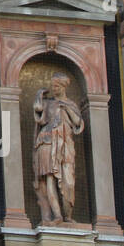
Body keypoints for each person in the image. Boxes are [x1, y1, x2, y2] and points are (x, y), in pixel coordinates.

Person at [32, 71, 84, 224]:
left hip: (65, 145)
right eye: (53, 86)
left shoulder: (71, 104)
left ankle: (68, 215)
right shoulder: (48, 103)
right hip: (47, 142)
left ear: (63, 86)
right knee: (49, 179)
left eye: (56, 86)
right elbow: (38, 109)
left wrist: (65, 108)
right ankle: (57, 216)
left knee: (69, 181)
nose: (54, 89)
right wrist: (39, 95)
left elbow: (77, 122)